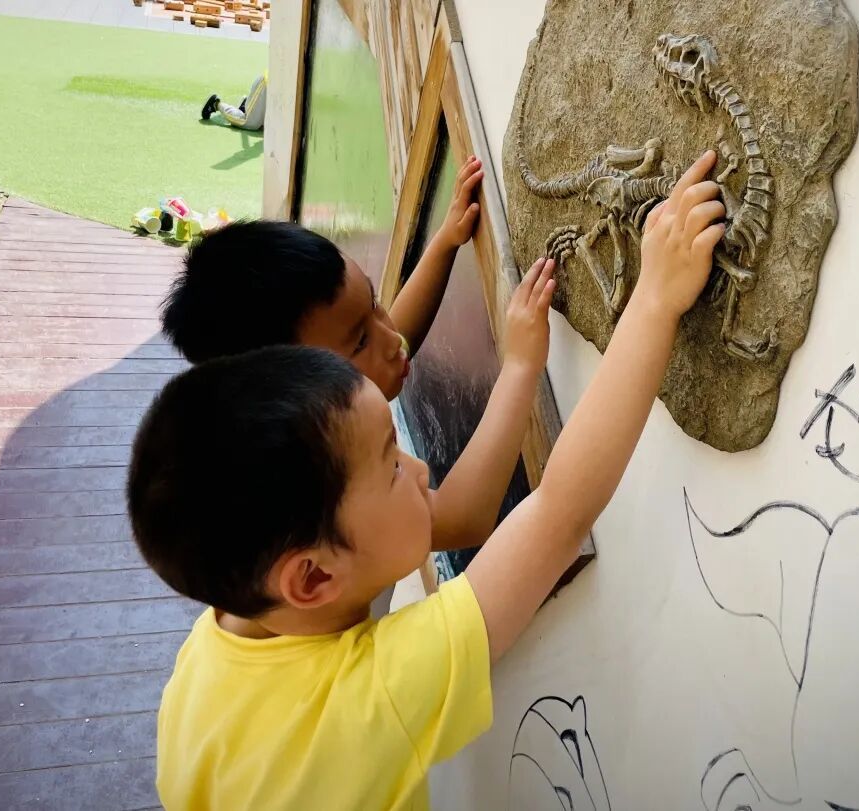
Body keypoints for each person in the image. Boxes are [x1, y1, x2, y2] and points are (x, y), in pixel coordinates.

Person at [128, 151, 726, 810]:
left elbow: (374, 366)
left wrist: (441, 247)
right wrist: (655, 298)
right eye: (392, 466)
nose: (418, 469)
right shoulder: (369, 701)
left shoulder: (221, 632)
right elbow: (558, 514)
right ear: (313, 578)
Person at [160, 158, 548, 556]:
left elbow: (394, 337)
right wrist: (520, 365)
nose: (391, 339)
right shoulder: (322, 489)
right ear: (290, 394)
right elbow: (459, 518)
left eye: (374, 302)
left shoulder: (321, 398)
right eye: (360, 341)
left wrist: (446, 240)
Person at [202, 70, 267, 131]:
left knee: (264, 126)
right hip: (266, 85)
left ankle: (246, 107)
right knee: (251, 123)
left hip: (270, 89)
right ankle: (216, 104)